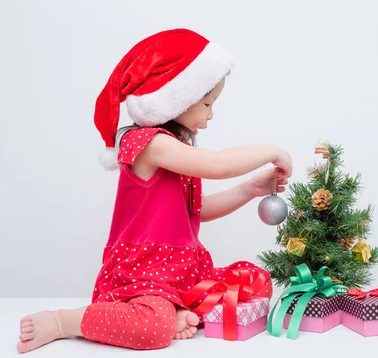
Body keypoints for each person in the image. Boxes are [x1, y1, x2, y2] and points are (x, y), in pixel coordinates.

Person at [16, 28, 293, 353]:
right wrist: (273, 151)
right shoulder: (149, 144)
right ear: (175, 97)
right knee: (154, 330)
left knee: (253, 281)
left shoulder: (175, 148)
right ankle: (65, 321)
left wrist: (250, 189)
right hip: (143, 271)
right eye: (206, 103)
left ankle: (174, 308)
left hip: (180, 271)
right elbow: (217, 165)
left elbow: (197, 211)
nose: (210, 114)